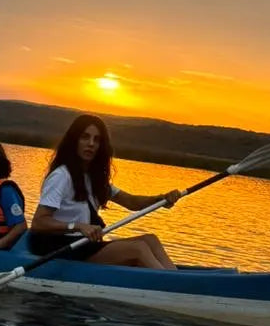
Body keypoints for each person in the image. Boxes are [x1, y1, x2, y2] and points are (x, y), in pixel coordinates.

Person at [29, 113, 180, 269]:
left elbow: (131, 202)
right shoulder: (61, 176)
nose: (91, 144)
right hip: (58, 247)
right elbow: (38, 223)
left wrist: (162, 199)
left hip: (83, 244)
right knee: (138, 248)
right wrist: (78, 226)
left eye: (97, 140)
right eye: (85, 137)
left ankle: (177, 281)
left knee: (150, 240)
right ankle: (172, 286)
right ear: (74, 140)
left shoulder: (94, 179)